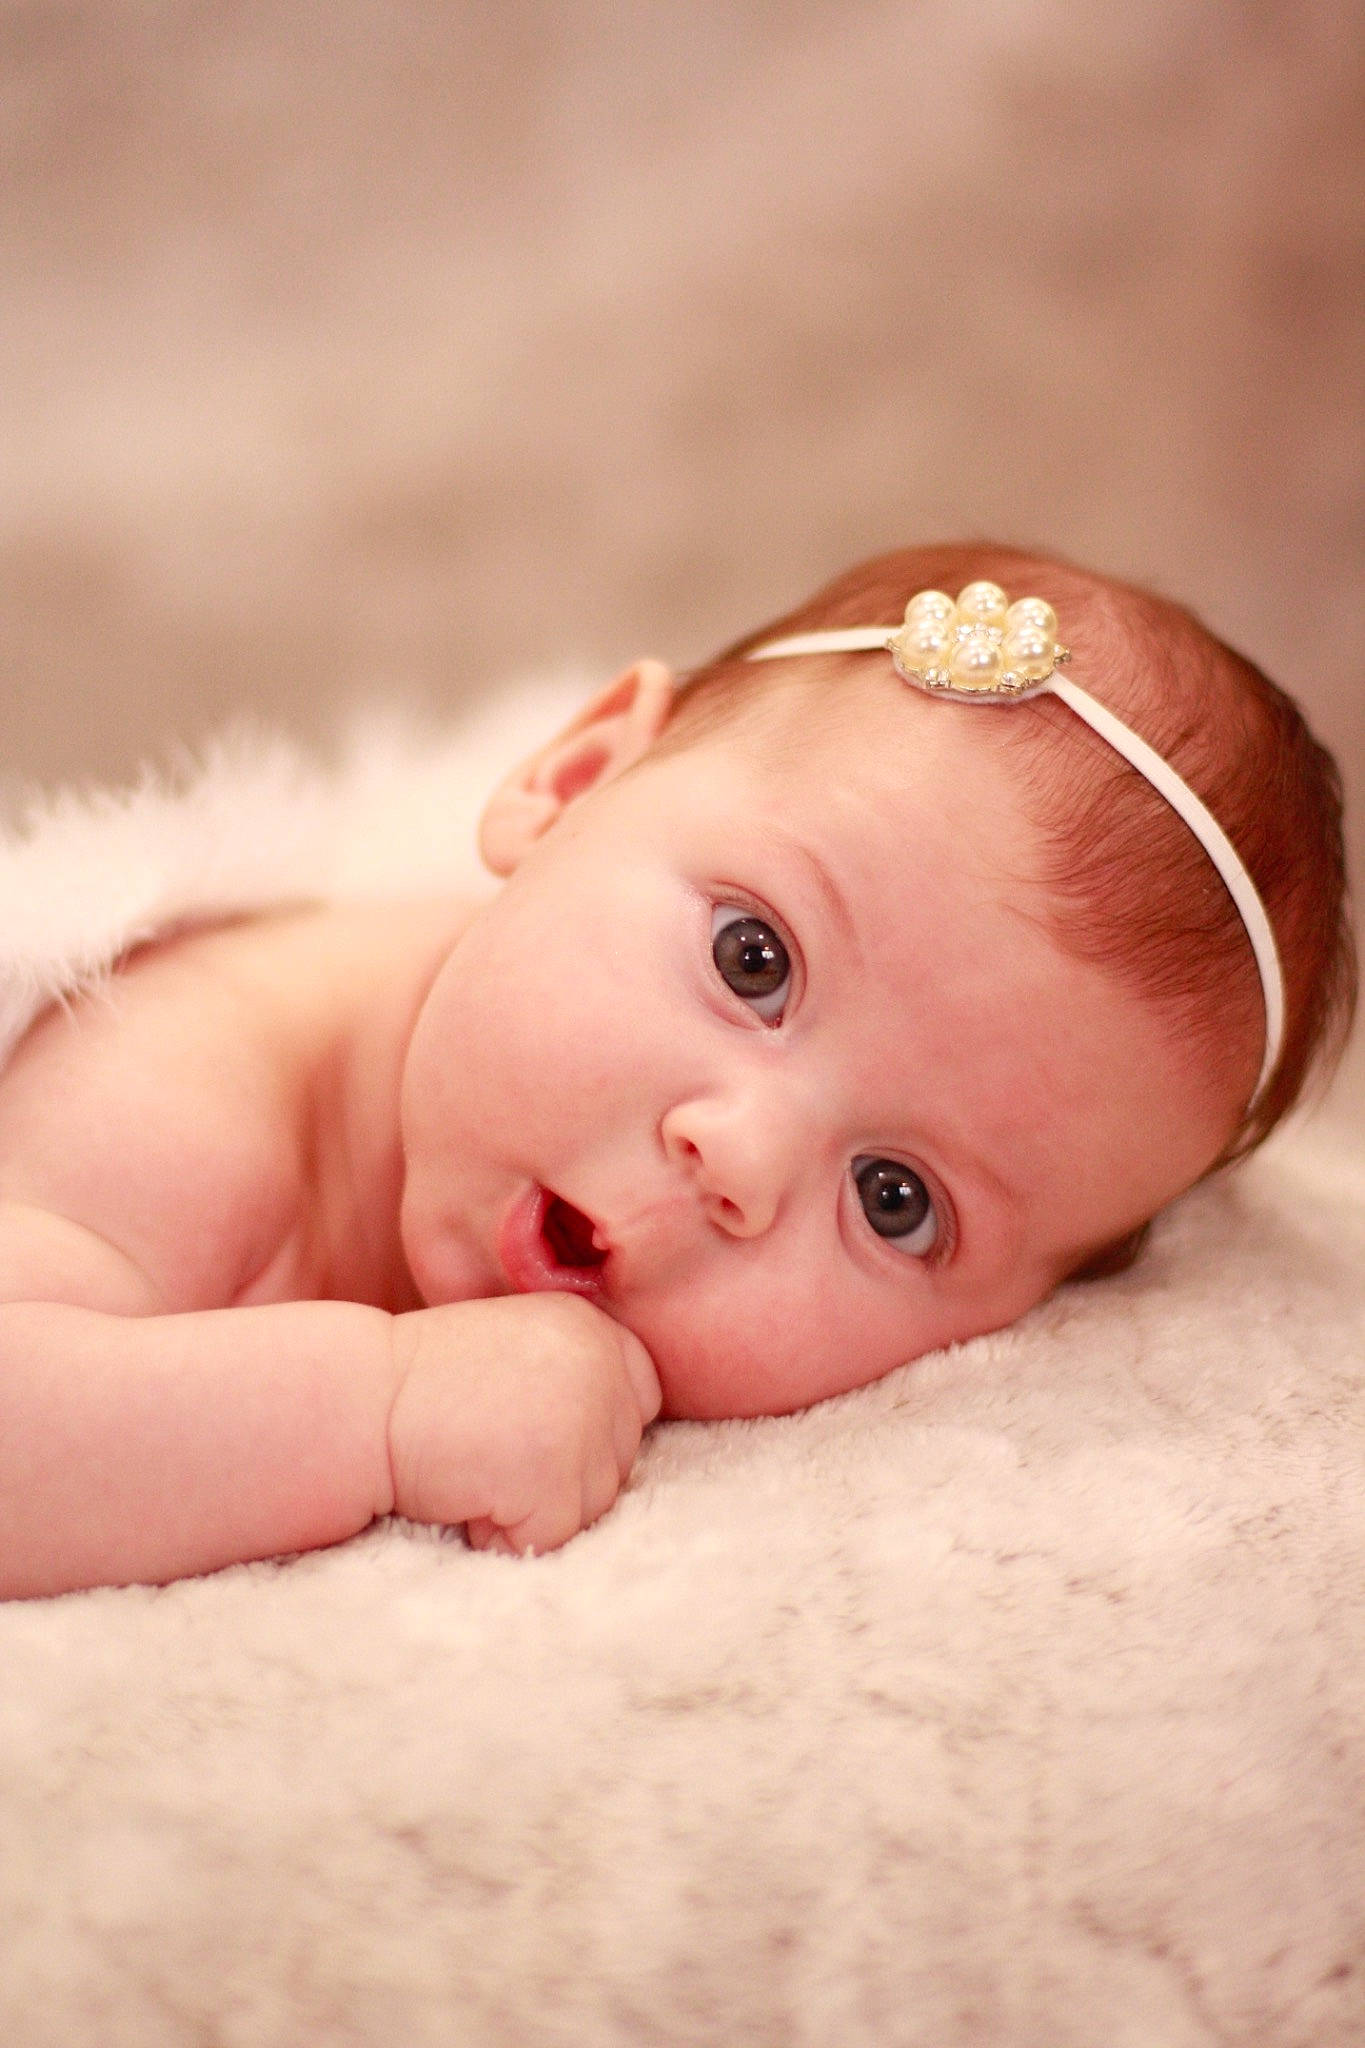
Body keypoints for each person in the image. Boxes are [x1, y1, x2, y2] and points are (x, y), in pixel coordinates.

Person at [0, 544, 1353, 1596]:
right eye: (754, 961)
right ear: (574, 778)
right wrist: (380, 1410)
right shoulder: (175, 1090)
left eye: (895, 1199)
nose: (740, 1160)